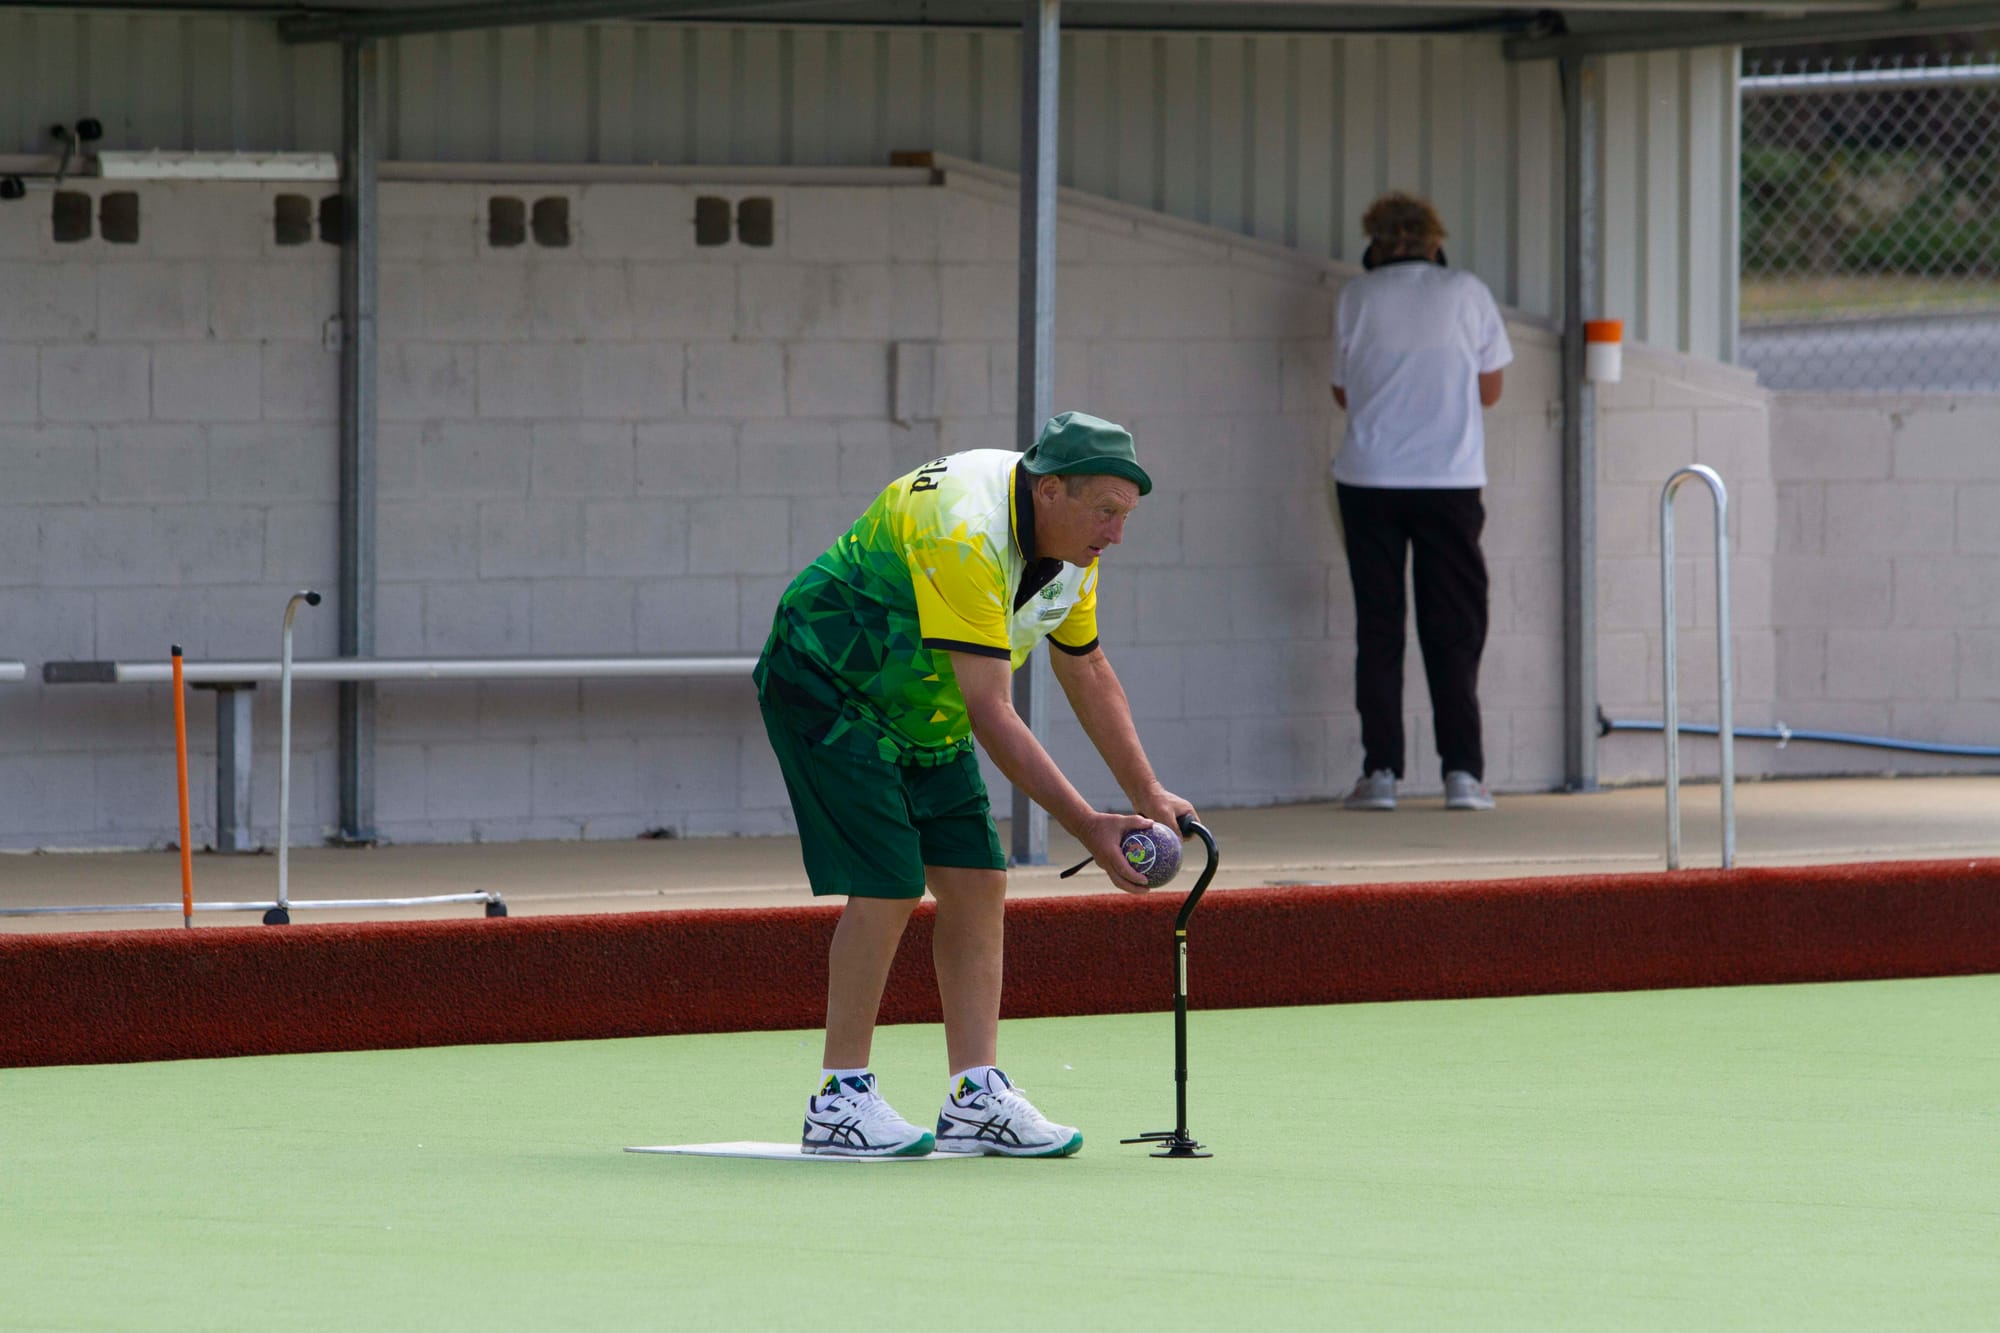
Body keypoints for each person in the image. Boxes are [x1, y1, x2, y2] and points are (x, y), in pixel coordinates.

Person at [754, 411, 1197, 1158]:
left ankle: (975, 1094)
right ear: (1051, 490)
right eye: (1106, 512)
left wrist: (1148, 793)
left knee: (977, 882)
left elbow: (1084, 666)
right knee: (890, 882)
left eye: (1126, 516)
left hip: (929, 705)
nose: (1117, 534)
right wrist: (1089, 822)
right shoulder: (967, 528)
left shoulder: (1073, 549)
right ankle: (838, 1099)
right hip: (830, 686)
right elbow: (993, 709)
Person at [1330, 191, 1513, 814]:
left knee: (1379, 627)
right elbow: (1491, 390)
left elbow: (1341, 391)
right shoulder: (1468, 292)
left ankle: (1380, 773)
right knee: (1454, 627)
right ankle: (1463, 773)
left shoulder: (1356, 296)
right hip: (1450, 481)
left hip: (1369, 479)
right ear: (1436, 242)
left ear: (1375, 244)